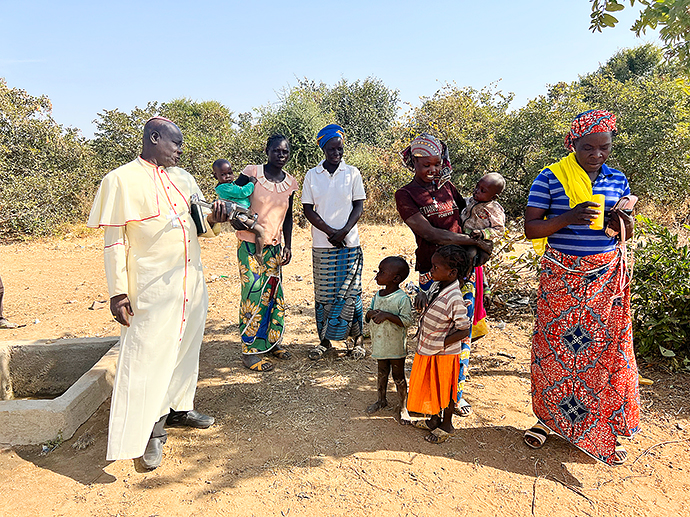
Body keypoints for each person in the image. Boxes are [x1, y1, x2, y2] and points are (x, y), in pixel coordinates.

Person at [87, 117, 227, 470]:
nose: (180, 151)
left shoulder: (184, 179)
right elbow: (115, 241)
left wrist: (217, 220)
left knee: (185, 348)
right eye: (175, 144)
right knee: (147, 357)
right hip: (150, 288)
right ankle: (149, 431)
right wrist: (117, 293)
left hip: (189, 283)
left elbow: (200, 228)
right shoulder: (120, 180)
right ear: (154, 138)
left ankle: (180, 407)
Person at [523, 109, 639, 466]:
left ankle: (600, 426)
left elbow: (627, 229)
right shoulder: (550, 177)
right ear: (572, 144)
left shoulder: (617, 179)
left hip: (605, 277)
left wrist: (623, 221)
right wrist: (569, 218)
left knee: (603, 353)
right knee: (555, 351)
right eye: (588, 147)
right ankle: (548, 421)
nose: (596, 155)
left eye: (603, 147)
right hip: (561, 277)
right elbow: (531, 228)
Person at [394, 133, 491, 417]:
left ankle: (454, 394)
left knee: (461, 335)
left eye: (436, 164)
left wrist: (482, 238)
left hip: (463, 272)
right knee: (435, 335)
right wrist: (473, 242)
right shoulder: (406, 194)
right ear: (413, 162)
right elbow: (429, 233)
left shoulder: (448, 188)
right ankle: (431, 394)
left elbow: (465, 219)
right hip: (432, 272)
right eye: (425, 165)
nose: (432, 170)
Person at [233, 134, 299, 372]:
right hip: (249, 245)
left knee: (272, 293)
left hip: (274, 246)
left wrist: (288, 245)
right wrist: (248, 226)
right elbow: (232, 201)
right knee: (252, 292)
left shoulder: (289, 182)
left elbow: (288, 216)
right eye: (277, 151)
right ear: (267, 151)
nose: (281, 156)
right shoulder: (252, 173)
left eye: (285, 152)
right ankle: (250, 351)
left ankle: (271, 343)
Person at [302, 124, 367, 360]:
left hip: (349, 244)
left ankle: (357, 341)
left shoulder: (353, 173)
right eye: (331, 149)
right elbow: (308, 210)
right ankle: (325, 341)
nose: (336, 153)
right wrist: (331, 232)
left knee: (352, 292)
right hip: (322, 244)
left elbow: (358, 205)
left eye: (339, 148)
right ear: (323, 149)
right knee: (324, 295)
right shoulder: (312, 175)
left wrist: (344, 232)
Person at [406, 245, 472, 443]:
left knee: (446, 389)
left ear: (452, 272)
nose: (431, 270)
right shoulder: (438, 286)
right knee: (431, 385)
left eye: (435, 267)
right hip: (430, 349)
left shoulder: (454, 297)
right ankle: (433, 419)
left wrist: (442, 342)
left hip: (443, 354)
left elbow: (464, 329)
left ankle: (447, 424)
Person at [365, 256, 414, 421]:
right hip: (380, 343)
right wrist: (371, 314)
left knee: (398, 376)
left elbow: (407, 321)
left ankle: (403, 407)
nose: (377, 275)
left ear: (396, 278)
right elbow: (368, 314)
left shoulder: (402, 299)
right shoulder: (377, 295)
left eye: (381, 272)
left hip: (395, 345)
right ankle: (381, 400)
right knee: (382, 372)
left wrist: (387, 316)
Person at [212, 159, 266, 263]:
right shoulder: (224, 188)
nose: (228, 176)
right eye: (223, 174)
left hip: (241, 212)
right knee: (260, 230)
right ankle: (259, 254)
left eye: (230, 173)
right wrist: (251, 183)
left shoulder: (229, 185)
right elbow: (243, 192)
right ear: (215, 176)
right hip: (238, 215)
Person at [460, 172, 506, 267]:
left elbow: (499, 230)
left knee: (470, 255)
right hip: (463, 236)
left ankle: (466, 278)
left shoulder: (493, 210)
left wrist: (482, 233)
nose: (476, 191)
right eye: (477, 187)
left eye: (482, 191)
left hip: (479, 241)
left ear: (493, 197)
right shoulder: (469, 201)